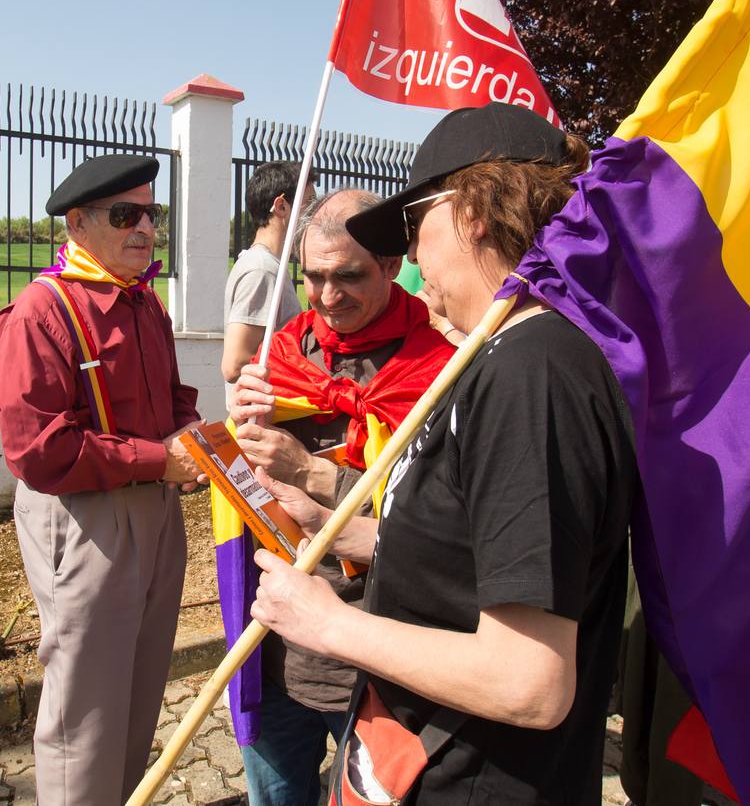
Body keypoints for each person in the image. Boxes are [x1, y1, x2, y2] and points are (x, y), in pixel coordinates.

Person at [240, 102, 636, 803]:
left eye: (415, 230)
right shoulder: (504, 358)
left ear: (472, 212)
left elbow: (529, 681)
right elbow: (473, 551)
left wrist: (327, 622)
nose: (415, 262)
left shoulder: (530, 374)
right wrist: (342, 523)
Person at [0, 153, 202, 805]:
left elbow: (171, 395)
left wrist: (188, 432)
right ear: (76, 224)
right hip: (85, 520)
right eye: (124, 214)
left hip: (157, 511)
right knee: (86, 708)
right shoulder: (40, 311)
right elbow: (39, 450)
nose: (144, 228)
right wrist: (157, 460)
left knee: (138, 689)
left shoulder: (145, 304)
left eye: (150, 213)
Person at [228, 188, 456, 805]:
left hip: (378, 655)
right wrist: (229, 451)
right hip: (272, 644)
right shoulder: (280, 357)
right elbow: (247, 490)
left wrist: (311, 471)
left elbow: (443, 522)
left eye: (349, 276)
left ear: (390, 265)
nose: (329, 297)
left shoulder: (440, 371)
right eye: (314, 278)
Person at [223, 161, 317, 403]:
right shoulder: (262, 270)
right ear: (281, 206)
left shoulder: (269, 265)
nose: (315, 214)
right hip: (259, 423)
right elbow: (234, 364)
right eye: (310, 203)